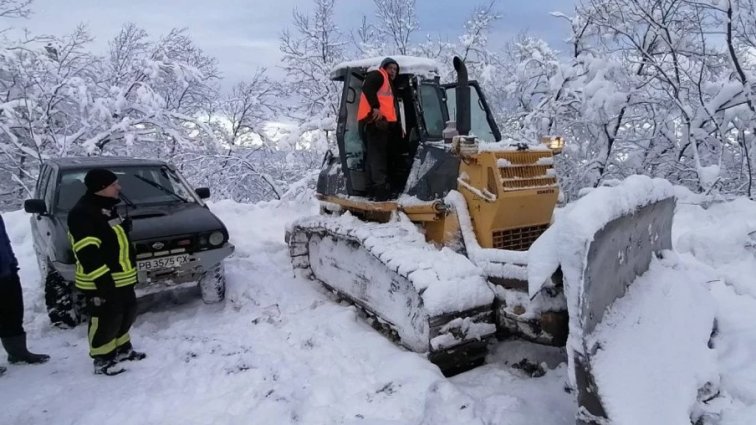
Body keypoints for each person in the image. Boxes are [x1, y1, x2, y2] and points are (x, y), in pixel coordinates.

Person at [67, 168, 145, 376]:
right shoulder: (82, 213)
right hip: (101, 280)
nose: (118, 187)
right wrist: (103, 281)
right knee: (105, 318)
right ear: (101, 188)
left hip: (122, 277)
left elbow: (110, 239)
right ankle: (103, 359)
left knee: (126, 313)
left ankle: (122, 350)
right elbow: (87, 252)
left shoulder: (107, 208)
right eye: (114, 184)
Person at [0, 214, 50, 376]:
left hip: (6, 271)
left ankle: (18, 353)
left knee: (13, 312)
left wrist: (12, 262)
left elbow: (3, 240)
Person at [358, 57, 401, 201]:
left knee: (375, 156)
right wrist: (375, 107)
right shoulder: (378, 75)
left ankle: (372, 189)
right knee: (378, 157)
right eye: (391, 68)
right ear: (384, 67)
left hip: (383, 124)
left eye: (395, 69)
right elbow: (367, 87)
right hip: (375, 123)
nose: (393, 71)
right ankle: (380, 191)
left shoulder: (388, 83)